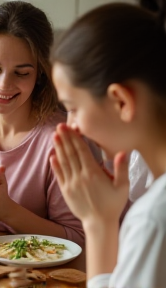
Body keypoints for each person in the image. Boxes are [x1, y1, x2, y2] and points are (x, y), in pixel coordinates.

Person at [0, 1, 102, 246]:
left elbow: (81, 242)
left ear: (40, 74)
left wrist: (6, 211)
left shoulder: (64, 139)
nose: (4, 84)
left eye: (22, 73)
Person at [51, 1, 166, 287]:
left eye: (73, 107)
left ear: (121, 101)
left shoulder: (154, 218)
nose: (70, 126)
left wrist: (97, 223)